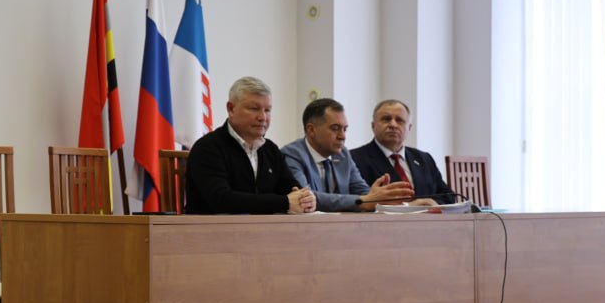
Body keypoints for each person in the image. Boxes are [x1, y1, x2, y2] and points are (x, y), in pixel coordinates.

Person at [184, 76, 316, 215]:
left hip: (264, 227)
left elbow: (292, 189)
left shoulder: (270, 149)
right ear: (231, 109)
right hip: (212, 227)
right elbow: (221, 200)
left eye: (267, 110)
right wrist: (285, 202)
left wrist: (305, 199)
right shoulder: (208, 148)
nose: (262, 117)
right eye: (254, 109)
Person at [282, 98, 415, 212]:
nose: (342, 136)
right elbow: (305, 198)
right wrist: (363, 201)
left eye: (344, 129)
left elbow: (363, 193)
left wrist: (380, 196)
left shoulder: (342, 154)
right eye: (335, 128)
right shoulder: (292, 154)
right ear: (311, 130)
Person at [350, 99, 454, 206]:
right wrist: (407, 206)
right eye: (386, 119)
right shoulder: (354, 159)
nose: (393, 125)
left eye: (399, 120)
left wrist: (431, 202)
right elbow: (356, 201)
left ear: (409, 127)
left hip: (427, 216)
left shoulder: (424, 159)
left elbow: (449, 196)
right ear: (373, 126)